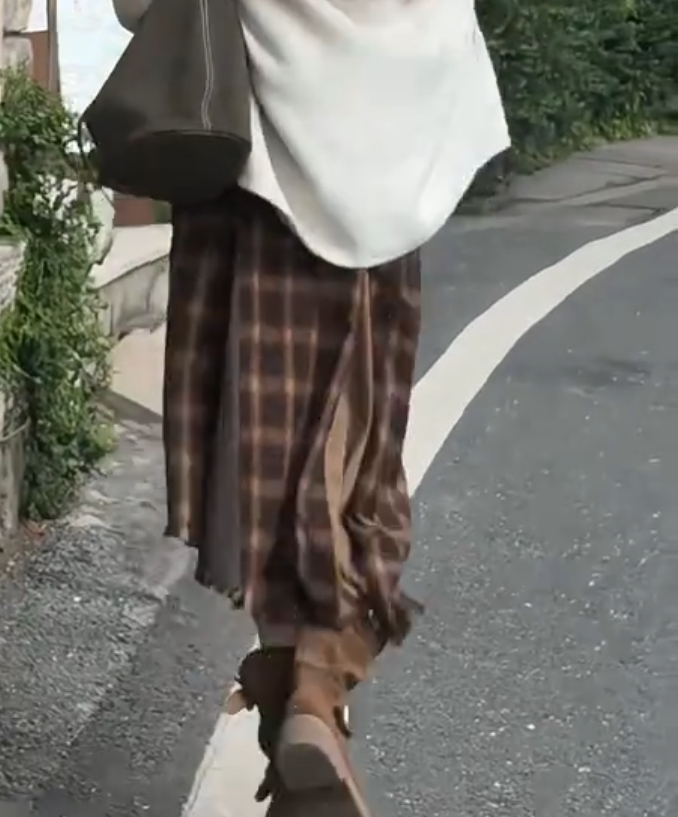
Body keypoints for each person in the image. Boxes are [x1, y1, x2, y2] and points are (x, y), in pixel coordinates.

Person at [114, 1, 508, 814]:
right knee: (354, 443)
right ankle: (315, 693)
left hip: (248, 147)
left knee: (267, 444)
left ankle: (298, 707)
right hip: (390, 133)